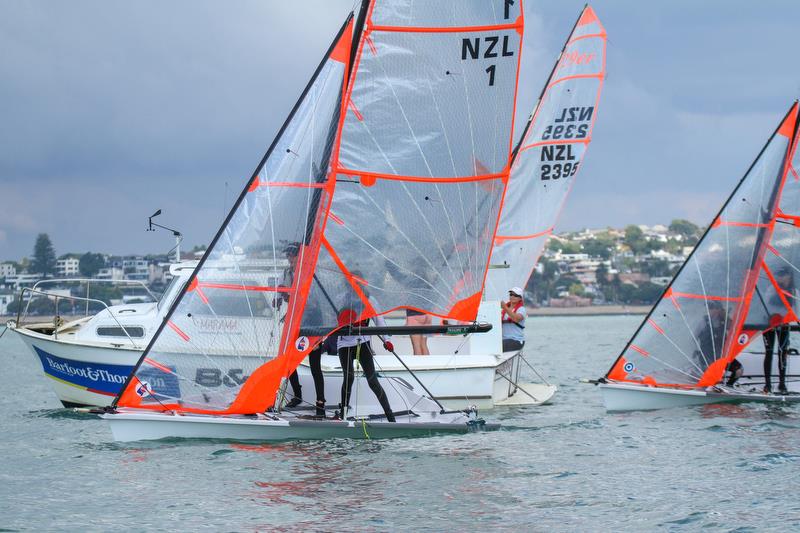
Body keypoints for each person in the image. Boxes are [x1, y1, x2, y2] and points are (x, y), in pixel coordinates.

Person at [276, 241, 326, 413]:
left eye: (292, 254)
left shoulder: (310, 273)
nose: (289, 258)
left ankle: (320, 403)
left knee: (314, 365)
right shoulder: (287, 272)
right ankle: (297, 395)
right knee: (288, 360)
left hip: (313, 321)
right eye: (288, 255)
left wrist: (289, 294)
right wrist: (281, 295)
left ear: (301, 256)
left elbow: (311, 301)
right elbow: (285, 294)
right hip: (296, 320)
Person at [336, 311, 396, 422]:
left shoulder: (368, 301)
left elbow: (379, 320)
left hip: (363, 342)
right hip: (344, 344)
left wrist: (387, 340)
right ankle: (342, 415)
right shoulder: (341, 298)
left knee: (373, 381)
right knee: (349, 378)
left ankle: (391, 418)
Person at [763, 267, 795, 394]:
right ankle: (768, 385)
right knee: (769, 352)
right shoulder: (771, 289)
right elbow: (768, 303)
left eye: (782, 275)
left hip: (784, 325)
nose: (779, 278)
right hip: (768, 323)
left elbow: (796, 310)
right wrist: (779, 291)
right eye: (778, 276)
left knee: (782, 352)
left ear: (789, 277)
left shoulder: (794, 291)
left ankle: (782, 384)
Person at [501, 287, 527, 352]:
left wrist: (505, 307)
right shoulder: (503, 310)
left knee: (499, 346)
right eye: (511, 294)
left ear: (520, 298)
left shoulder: (521, 309)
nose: (512, 296)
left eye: (515, 295)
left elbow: (516, 319)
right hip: (504, 340)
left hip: (517, 341)